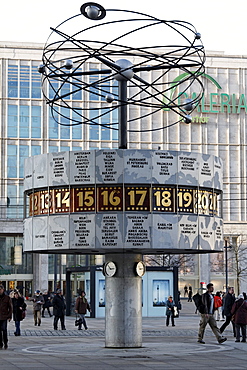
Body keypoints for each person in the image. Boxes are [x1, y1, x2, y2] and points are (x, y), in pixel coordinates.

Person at [0, 284, 12, 349]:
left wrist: (10, 316)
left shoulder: (7, 298)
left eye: (0, 290)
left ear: (3, 290)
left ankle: (5, 343)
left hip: (4, 316)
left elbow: (10, 307)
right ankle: (0, 344)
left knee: (4, 330)